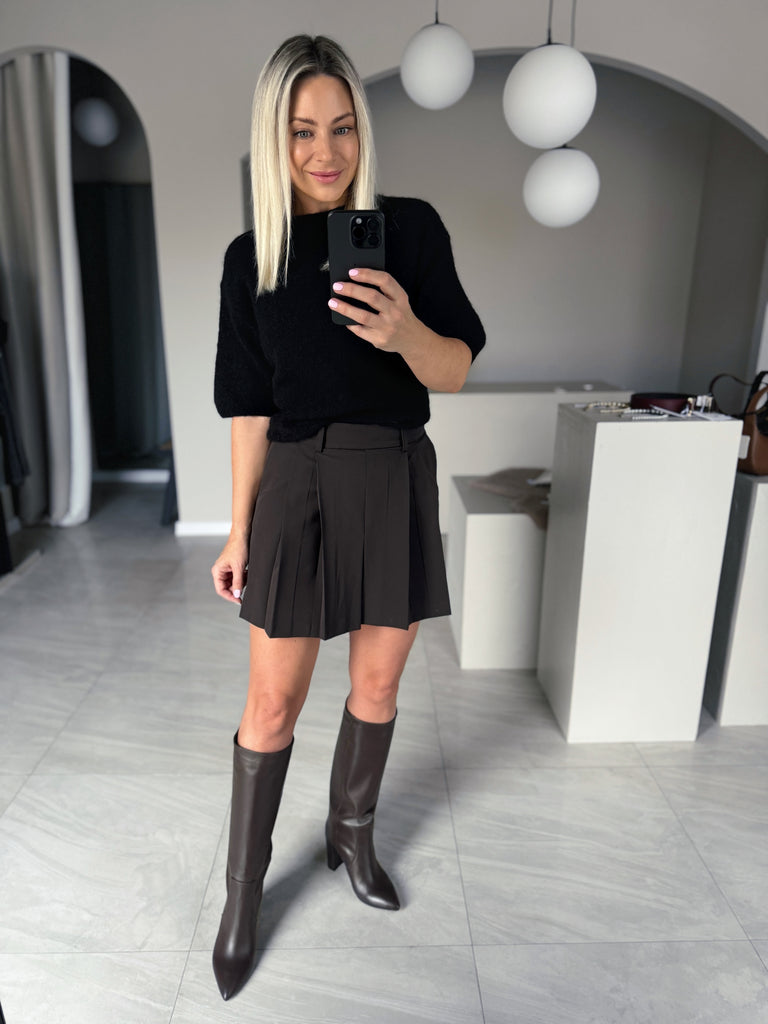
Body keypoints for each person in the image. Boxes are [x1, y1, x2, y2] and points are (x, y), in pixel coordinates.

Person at [210, 33, 485, 1001]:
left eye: (341, 129)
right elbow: (249, 409)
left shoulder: (409, 231)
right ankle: (243, 896)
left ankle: (351, 834)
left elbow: (455, 368)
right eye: (300, 132)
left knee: (377, 682)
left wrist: (404, 330)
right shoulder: (253, 258)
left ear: (362, 133)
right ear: (273, 139)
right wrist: (239, 527)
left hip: (394, 471)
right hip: (294, 481)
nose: (324, 152)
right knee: (271, 703)